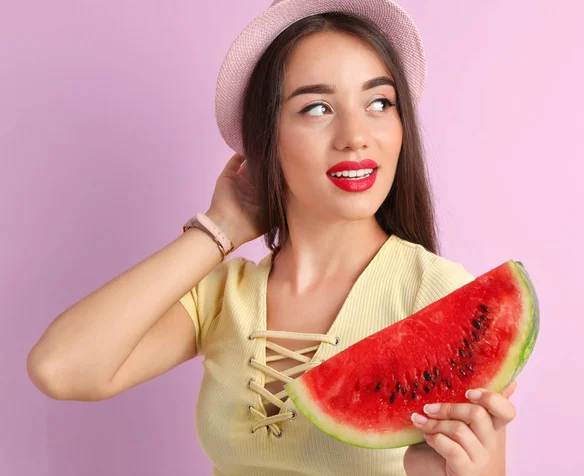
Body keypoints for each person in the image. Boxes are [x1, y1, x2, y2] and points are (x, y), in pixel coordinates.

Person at [26, 1, 518, 475]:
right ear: (268, 136)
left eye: (379, 102)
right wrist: (220, 230)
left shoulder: (443, 301)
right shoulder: (224, 297)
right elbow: (61, 369)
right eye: (318, 107)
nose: (355, 135)